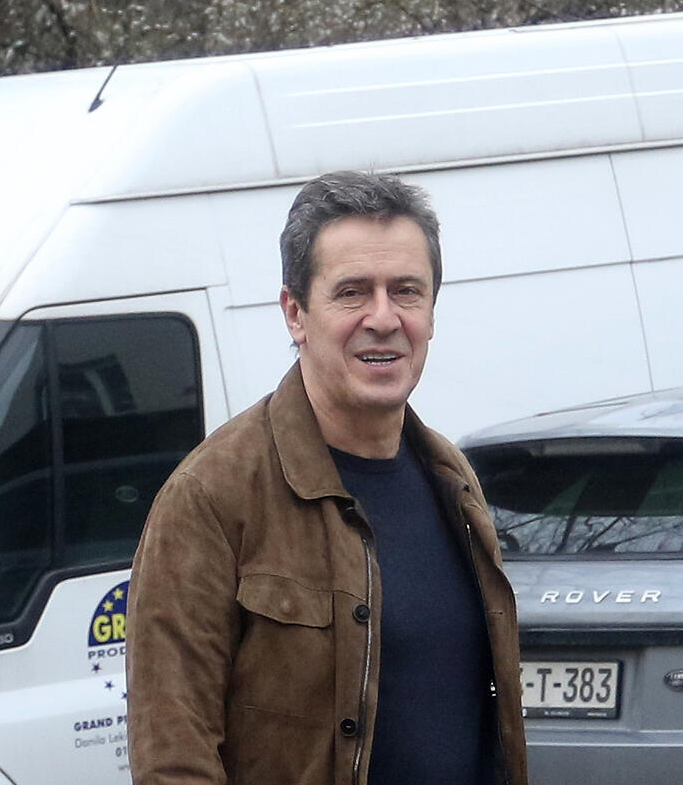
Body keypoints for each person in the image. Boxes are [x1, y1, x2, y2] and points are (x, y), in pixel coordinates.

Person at [126, 170, 527, 785]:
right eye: (352, 292)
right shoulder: (211, 497)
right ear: (295, 313)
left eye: (407, 291)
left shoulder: (452, 479)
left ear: (431, 312)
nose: (383, 318)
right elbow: (173, 758)